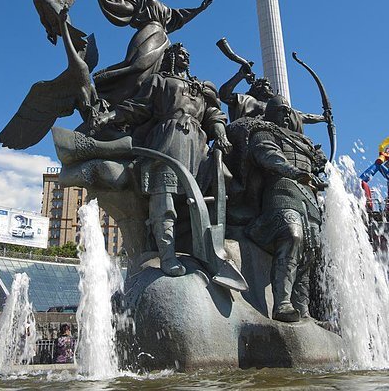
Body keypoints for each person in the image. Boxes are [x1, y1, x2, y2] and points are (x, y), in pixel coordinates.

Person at [93, 43, 231, 277]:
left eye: (188, 53)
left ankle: (208, 253)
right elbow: (137, 107)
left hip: (197, 145)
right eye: (181, 53)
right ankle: (167, 256)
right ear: (171, 58)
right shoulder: (159, 81)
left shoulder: (203, 87)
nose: (186, 56)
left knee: (203, 199)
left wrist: (220, 134)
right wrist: (109, 117)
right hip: (167, 139)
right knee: (163, 198)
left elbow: (213, 115)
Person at [240, 95, 326, 323]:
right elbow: (268, 155)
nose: (286, 114)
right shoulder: (263, 132)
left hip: (309, 197)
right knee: (292, 235)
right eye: (281, 110)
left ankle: (303, 308)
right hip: (280, 190)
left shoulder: (303, 141)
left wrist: (319, 162)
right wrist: (293, 171)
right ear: (269, 112)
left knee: (311, 249)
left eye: (288, 111)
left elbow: (316, 167)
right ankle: (282, 303)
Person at [87, 0, 214, 105]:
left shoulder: (162, 6)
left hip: (163, 39)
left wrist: (198, 10)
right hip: (148, 34)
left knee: (159, 76)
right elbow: (123, 7)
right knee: (138, 71)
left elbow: (177, 18)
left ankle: (148, 107)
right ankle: (110, 98)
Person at [219, 64, 326, 133]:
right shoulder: (248, 101)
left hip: (279, 136)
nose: (270, 87)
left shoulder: (279, 106)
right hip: (255, 137)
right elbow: (224, 95)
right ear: (257, 88)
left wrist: (323, 118)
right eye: (266, 85)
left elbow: (303, 116)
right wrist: (240, 75)